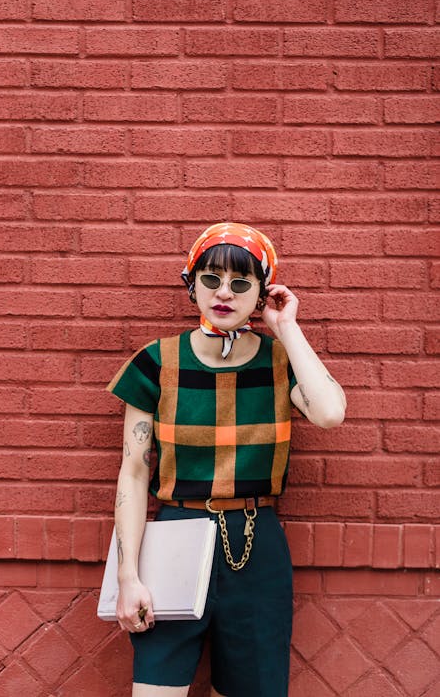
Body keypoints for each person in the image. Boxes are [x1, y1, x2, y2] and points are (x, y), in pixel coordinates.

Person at [107, 222, 346, 697]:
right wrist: (128, 575)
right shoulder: (157, 362)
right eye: (211, 278)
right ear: (190, 282)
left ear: (261, 292)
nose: (223, 293)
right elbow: (134, 473)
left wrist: (288, 327)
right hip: (171, 539)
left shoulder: (279, 361)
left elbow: (330, 413)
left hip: (256, 545)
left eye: (241, 283)